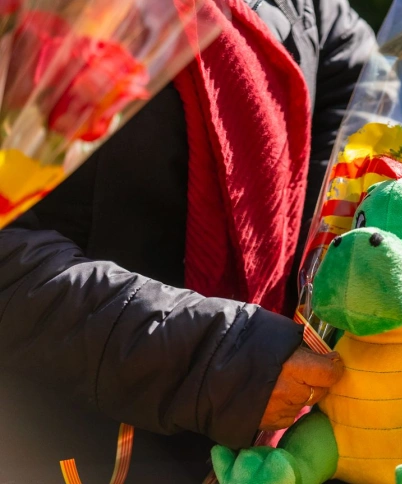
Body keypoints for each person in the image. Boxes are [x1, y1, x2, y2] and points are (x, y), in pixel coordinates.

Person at [0, 0, 375, 481]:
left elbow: (365, 92)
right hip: (51, 445)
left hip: (255, 438)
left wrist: (362, 269)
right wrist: (221, 359)